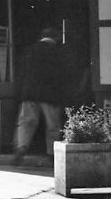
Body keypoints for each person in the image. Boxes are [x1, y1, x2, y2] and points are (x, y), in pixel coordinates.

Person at [13, 26, 69, 163]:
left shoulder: (29, 50)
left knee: (26, 121)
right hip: (49, 94)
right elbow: (61, 75)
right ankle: (51, 153)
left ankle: (21, 147)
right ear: (55, 37)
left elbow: (21, 72)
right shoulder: (57, 52)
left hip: (29, 93)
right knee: (52, 125)